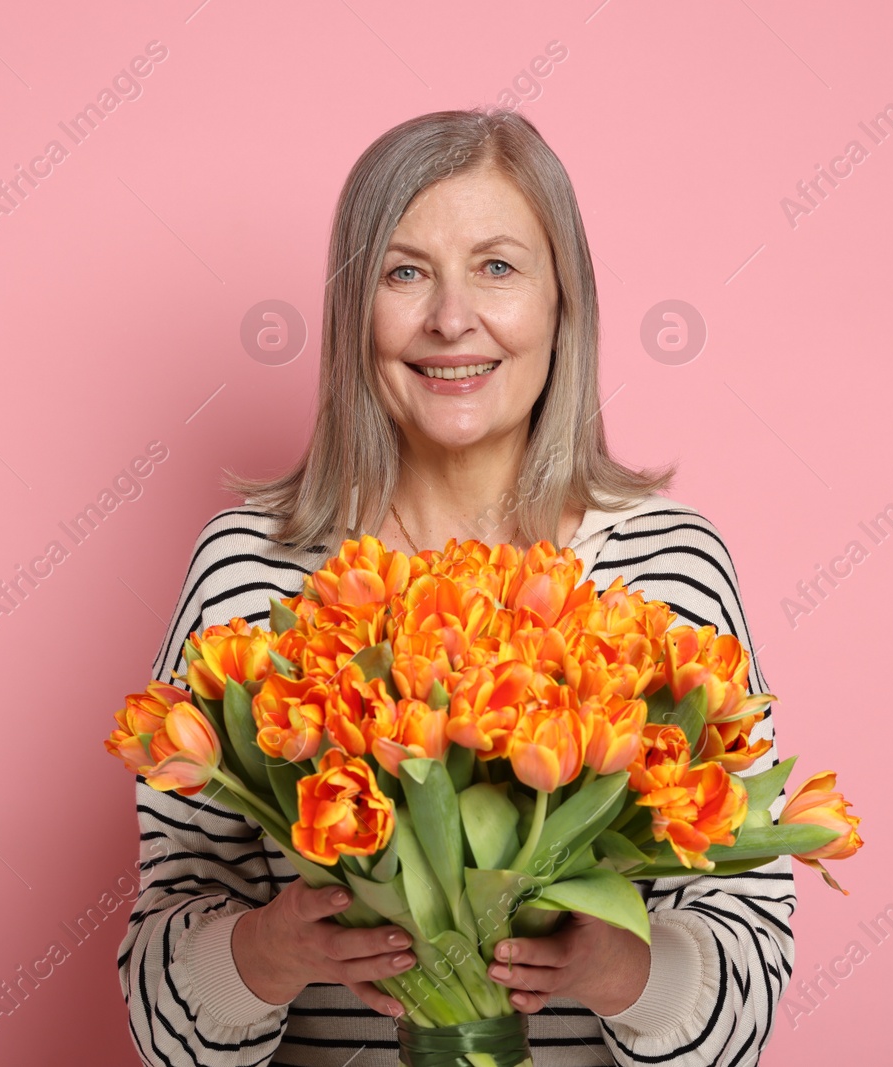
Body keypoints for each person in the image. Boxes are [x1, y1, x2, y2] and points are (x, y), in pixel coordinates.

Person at [117, 107, 794, 1067]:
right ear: (355, 309)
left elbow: (746, 991)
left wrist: (623, 973)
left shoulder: (666, 569)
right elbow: (161, 1025)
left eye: (498, 267)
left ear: (565, 303)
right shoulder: (250, 575)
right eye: (404, 272)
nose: (449, 317)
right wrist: (265, 952)